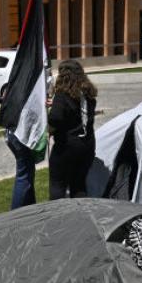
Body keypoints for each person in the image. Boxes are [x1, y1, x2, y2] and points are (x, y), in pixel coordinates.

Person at [47, 59, 97, 199]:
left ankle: (58, 212)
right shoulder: (88, 93)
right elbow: (77, 111)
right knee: (79, 185)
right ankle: (79, 212)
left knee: (58, 185)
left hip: (67, 147)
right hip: (87, 145)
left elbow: (55, 118)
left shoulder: (62, 94)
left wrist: (51, 129)